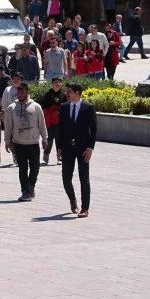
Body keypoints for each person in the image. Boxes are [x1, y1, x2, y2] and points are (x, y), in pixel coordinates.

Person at [58, 82, 97, 218]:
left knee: (84, 178)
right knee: (66, 178)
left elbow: (94, 129)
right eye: (66, 91)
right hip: (67, 148)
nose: (67, 94)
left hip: (83, 149)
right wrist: (58, 148)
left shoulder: (88, 108)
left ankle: (85, 208)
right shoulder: (63, 107)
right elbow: (60, 129)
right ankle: (73, 200)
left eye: (69, 92)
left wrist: (90, 148)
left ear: (77, 93)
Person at [4, 83, 48, 202]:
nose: (20, 94)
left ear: (28, 92)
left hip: (33, 142)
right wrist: (7, 140)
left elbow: (42, 124)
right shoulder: (11, 108)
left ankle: (31, 185)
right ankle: (25, 191)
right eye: (18, 92)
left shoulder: (36, 107)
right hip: (18, 143)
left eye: (22, 92)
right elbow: (8, 126)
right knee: (22, 169)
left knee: (35, 168)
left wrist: (45, 138)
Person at [40, 77, 65, 165]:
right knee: (49, 138)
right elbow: (43, 105)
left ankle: (60, 156)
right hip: (50, 120)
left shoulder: (63, 95)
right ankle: (46, 153)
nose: (57, 84)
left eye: (59, 82)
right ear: (52, 84)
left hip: (60, 120)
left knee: (60, 139)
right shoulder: (48, 94)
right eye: (55, 82)